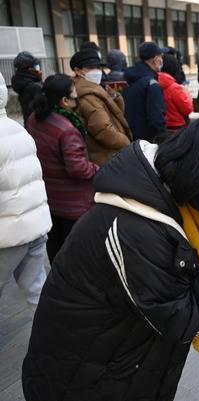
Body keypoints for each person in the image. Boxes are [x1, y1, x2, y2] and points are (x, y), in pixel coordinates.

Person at [22, 117, 199, 401]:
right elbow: (179, 320)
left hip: (115, 357)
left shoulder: (167, 198)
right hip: (83, 376)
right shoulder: (138, 230)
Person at [26, 73, 99, 261]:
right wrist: (96, 168)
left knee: (56, 247)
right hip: (73, 201)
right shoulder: (67, 129)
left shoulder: (35, 118)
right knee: (75, 253)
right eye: (75, 97)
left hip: (49, 195)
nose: (77, 101)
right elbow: (78, 168)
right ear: (65, 101)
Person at [0, 72, 51, 306]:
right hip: (35, 225)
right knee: (39, 292)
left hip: (7, 235)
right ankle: (55, 340)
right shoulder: (17, 128)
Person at [71, 49, 132, 166]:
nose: (97, 71)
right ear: (78, 71)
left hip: (103, 155)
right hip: (105, 157)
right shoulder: (89, 96)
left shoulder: (93, 89)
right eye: (90, 68)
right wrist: (126, 142)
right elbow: (104, 131)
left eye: (98, 67)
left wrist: (115, 97)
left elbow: (114, 116)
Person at [123, 42, 167, 141]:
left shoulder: (129, 79)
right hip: (147, 141)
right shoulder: (152, 84)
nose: (161, 61)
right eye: (161, 57)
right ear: (155, 59)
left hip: (130, 137)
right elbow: (157, 120)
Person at [159, 54, 193, 132]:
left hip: (163, 126)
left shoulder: (153, 82)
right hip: (178, 127)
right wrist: (187, 95)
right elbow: (187, 109)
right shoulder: (175, 87)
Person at [11, 51, 43, 125]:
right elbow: (43, 109)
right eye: (36, 66)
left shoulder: (23, 83)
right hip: (38, 126)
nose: (38, 69)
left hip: (29, 124)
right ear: (29, 69)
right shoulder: (34, 87)